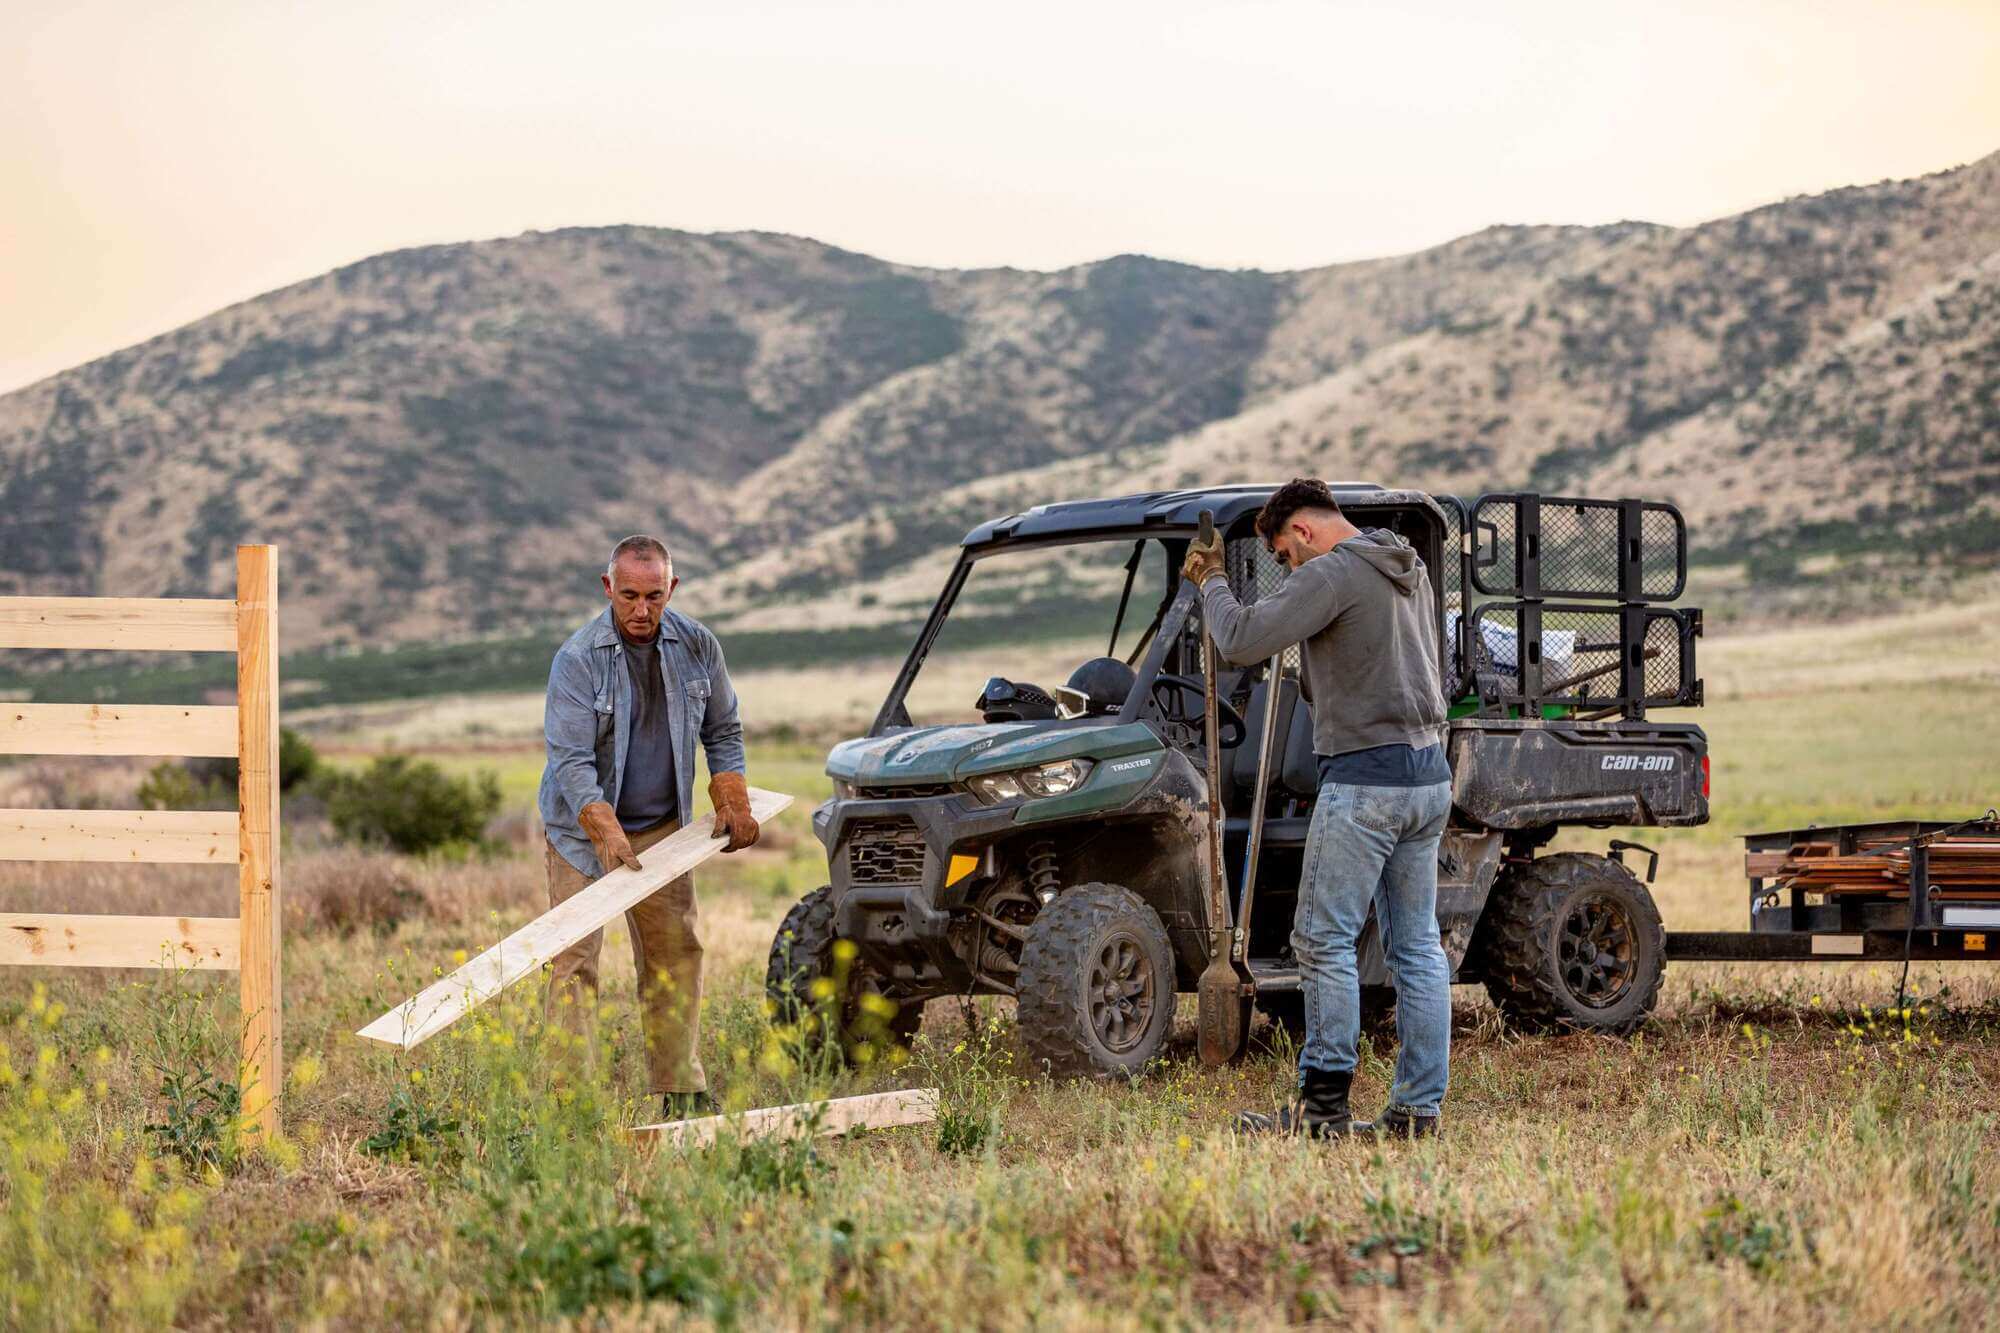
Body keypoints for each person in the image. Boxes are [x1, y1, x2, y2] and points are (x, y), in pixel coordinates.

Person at [1182, 479, 1452, 1139]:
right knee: (1416, 946)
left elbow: (1240, 639)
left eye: (1282, 554)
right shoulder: (1404, 564)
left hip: (1366, 782)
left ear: (1301, 530)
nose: (1287, 567)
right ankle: (1418, 1110)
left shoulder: (1331, 573)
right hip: (1427, 776)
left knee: (1322, 940)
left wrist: (1213, 581)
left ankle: (1323, 1109)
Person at [537, 534, 761, 1121]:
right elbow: (571, 761)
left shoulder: (698, 646)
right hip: (581, 833)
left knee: (676, 954)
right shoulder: (578, 657)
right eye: (629, 595)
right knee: (574, 961)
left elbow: (725, 730)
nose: (641, 610)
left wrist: (732, 794)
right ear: (608, 588)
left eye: (654, 596)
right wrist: (603, 829)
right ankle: (572, 1102)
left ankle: (680, 1089)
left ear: (673, 590)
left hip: (665, 828)